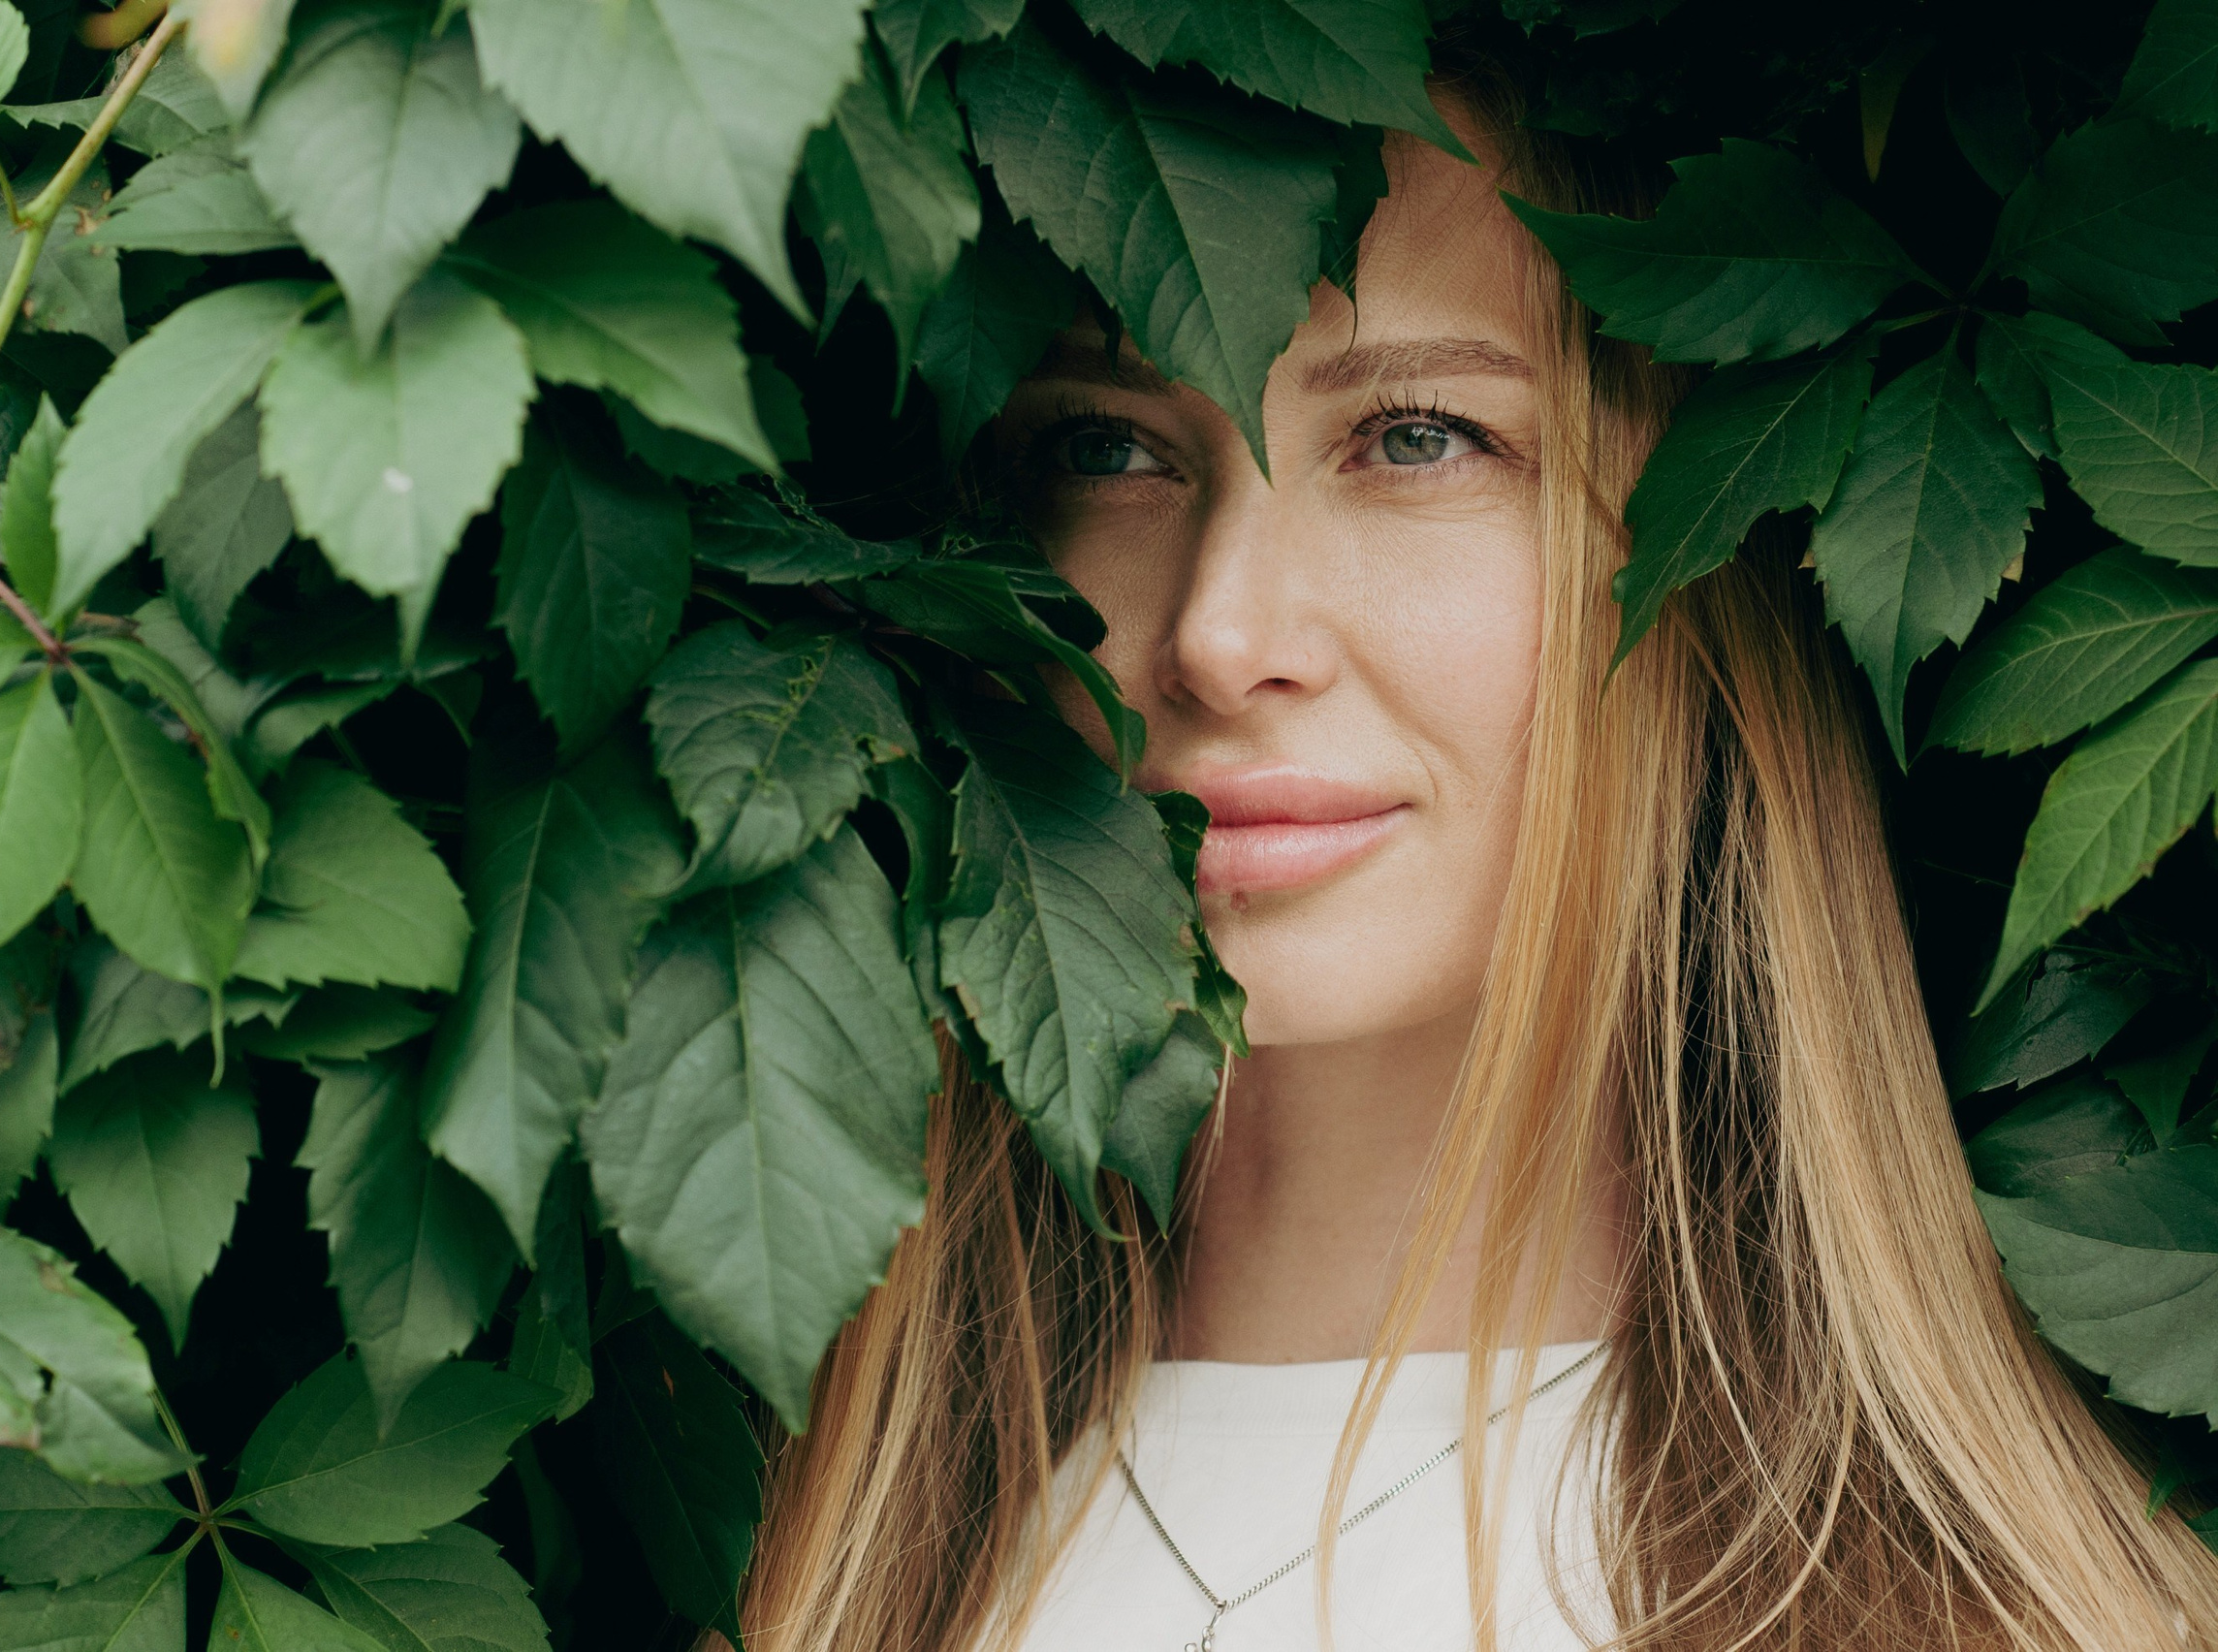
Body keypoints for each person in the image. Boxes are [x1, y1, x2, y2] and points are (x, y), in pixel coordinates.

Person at [735, 78, 2218, 1652]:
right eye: (1105, 448)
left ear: (1714, 543)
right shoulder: (788, 1559)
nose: (1222, 635)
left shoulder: (2003, 1620)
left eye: (1417, 437)